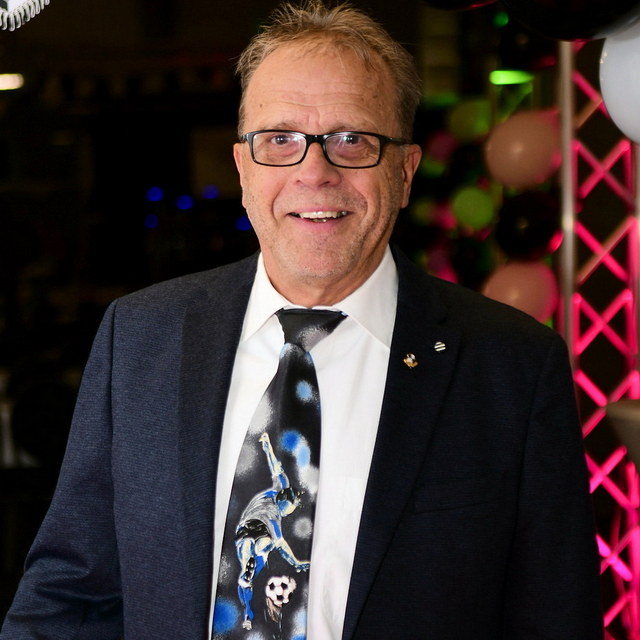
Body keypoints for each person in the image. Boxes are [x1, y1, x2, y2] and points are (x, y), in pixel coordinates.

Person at [1, 1, 603, 638]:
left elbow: (556, 618)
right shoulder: (141, 337)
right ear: (243, 169)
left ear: (404, 172)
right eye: (280, 140)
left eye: (353, 139)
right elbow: (70, 596)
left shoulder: (512, 367)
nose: (315, 173)